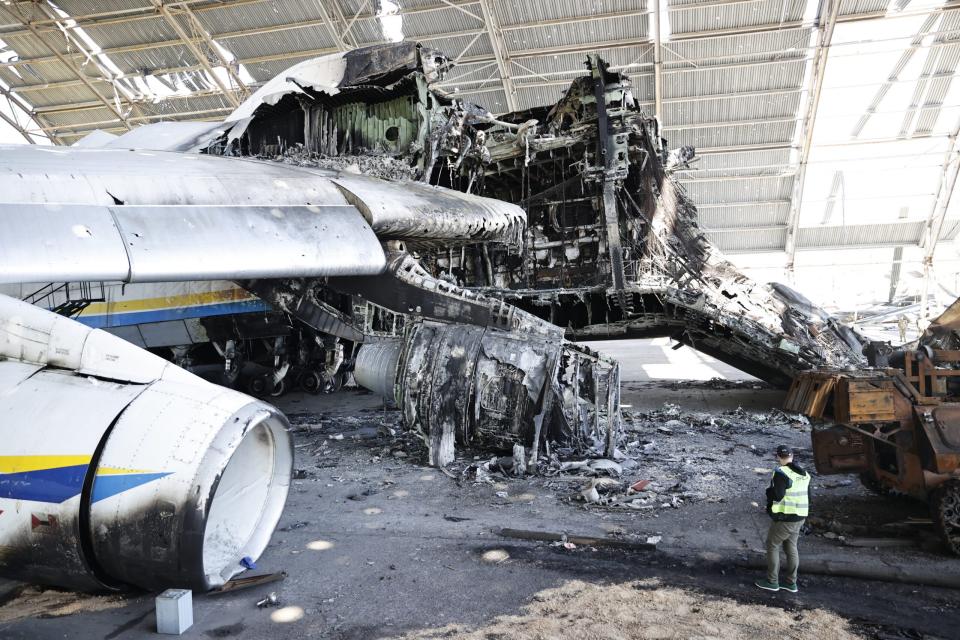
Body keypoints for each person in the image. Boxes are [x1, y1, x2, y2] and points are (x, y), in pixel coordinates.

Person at [755, 444, 810, 593]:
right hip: (800, 516)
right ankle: (791, 583)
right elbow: (808, 495)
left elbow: (778, 495)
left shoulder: (781, 473)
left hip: (786, 517)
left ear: (778, 457)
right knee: (791, 547)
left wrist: (768, 493)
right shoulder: (804, 473)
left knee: (772, 544)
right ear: (792, 456)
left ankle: (772, 581)